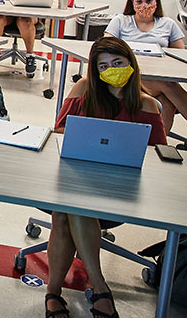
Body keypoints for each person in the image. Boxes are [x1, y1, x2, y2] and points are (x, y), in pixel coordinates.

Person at [45, 37, 166, 318]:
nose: (111, 69)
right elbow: (58, 133)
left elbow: (159, 156)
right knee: (71, 204)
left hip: (119, 189)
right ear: (95, 71)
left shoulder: (147, 105)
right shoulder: (84, 89)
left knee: (68, 210)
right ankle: (100, 289)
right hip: (72, 175)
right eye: (103, 66)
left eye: (117, 63)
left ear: (130, 64)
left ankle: (53, 294)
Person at [105, 0, 186, 131]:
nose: (144, 5)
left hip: (158, 73)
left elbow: (180, 57)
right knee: (168, 85)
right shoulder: (120, 21)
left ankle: (158, 146)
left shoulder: (168, 24)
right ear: (132, 2)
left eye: (149, 1)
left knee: (166, 102)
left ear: (156, 1)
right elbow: (105, 48)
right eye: (139, 1)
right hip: (128, 76)